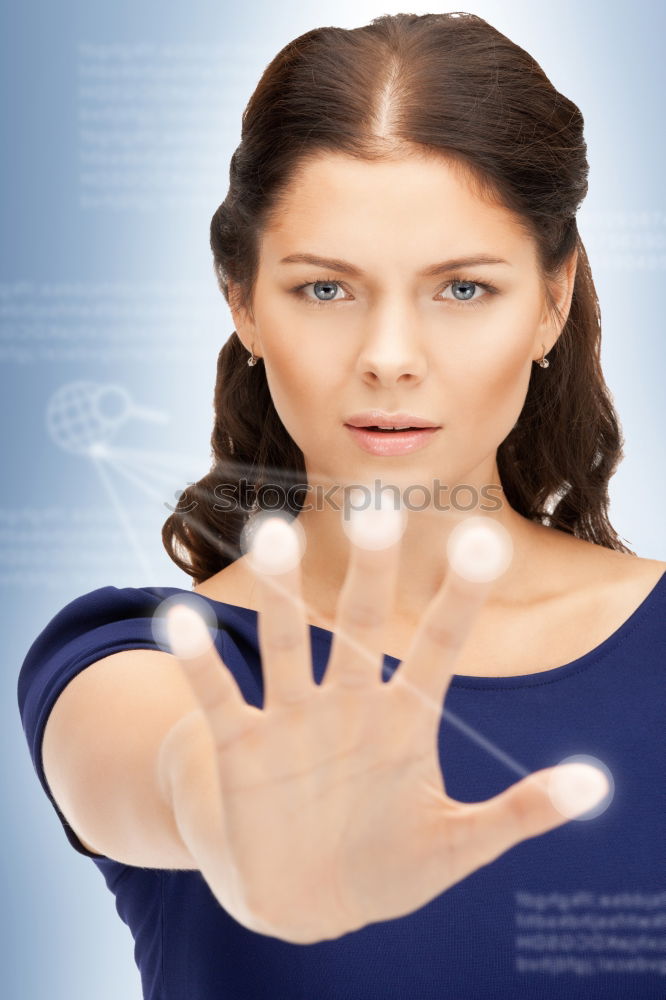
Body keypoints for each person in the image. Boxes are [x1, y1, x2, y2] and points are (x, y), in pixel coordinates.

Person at [17, 11, 666, 998]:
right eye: (326, 290)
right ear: (242, 299)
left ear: (552, 297)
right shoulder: (145, 662)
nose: (389, 355)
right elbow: (162, 766)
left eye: (463, 289)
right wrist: (230, 817)